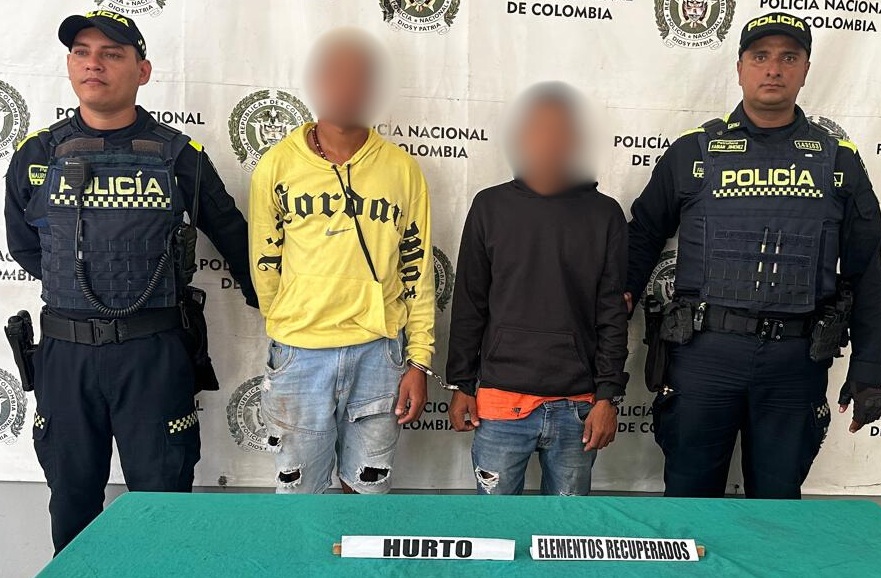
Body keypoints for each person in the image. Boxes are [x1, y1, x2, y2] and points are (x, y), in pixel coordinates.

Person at [3, 11, 257, 553]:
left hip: (153, 355)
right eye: (81, 52)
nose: (93, 64)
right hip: (66, 356)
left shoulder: (180, 156)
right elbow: (25, 248)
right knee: (71, 506)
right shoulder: (35, 156)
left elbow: (236, 242)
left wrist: (289, 318)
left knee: (163, 508)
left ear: (142, 71)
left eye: (111, 54)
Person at [626, 12, 881, 499]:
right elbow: (641, 239)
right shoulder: (693, 151)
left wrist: (869, 369)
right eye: (760, 56)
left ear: (805, 70)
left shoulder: (838, 159)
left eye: (789, 58)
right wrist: (607, 328)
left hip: (795, 362)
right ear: (740, 67)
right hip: (704, 355)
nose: (773, 69)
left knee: (777, 510)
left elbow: (865, 267)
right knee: (689, 503)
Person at [249, 28, 434, 494]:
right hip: (300, 354)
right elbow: (265, 264)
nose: (347, 86)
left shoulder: (402, 169)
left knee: (367, 491)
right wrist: (293, 320)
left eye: (360, 76)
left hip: (379, 353)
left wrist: (419, 361)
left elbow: (416, 272)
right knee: (299, 494)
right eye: (334, 74)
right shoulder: (277, 165)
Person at [446, 82, 629, 496]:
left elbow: (612, 314)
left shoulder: (604, 214)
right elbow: (470, 303)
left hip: (578, 408)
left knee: (565, 528)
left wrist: (608, 398)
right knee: (496, 527)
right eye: (539, 129)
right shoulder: (490, 207)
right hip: (499, 403)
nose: (549, 139)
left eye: (561, 130)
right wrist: (461, 384)